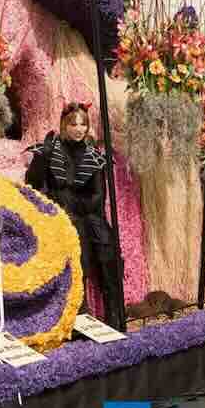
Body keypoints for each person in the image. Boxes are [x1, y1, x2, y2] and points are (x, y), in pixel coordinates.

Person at [25, 101, 124, 327]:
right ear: (64, 125)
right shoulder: (49, 150)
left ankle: (114, 310)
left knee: (106, 246)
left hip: (87, 213)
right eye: (73, 124)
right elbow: (32, 183)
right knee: (76, 241)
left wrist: (80, 207)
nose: (79, 129)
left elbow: (99, 197)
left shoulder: (94, 157)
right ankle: (78, 311)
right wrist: (43, 158)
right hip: (57, 215)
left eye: (83, 124)